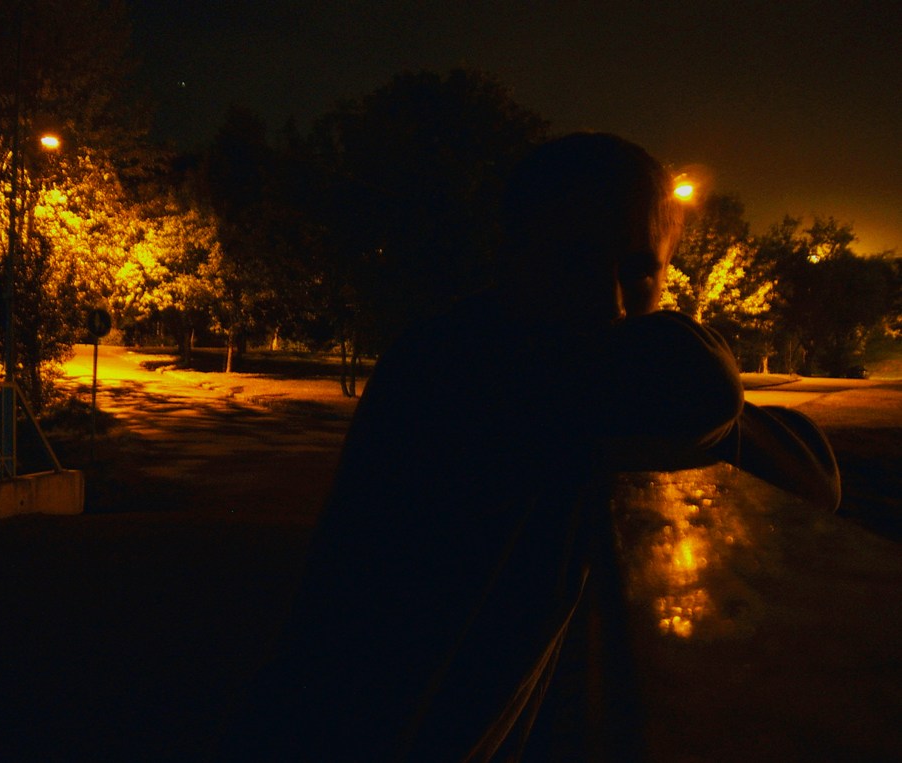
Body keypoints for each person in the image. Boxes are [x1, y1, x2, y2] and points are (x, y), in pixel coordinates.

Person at [220, 133, 840, 761]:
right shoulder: (469, 369)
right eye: (574, 259)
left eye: (636, 272)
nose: (609, 302)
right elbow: (722, 405)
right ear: (512, 250)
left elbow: (805, 469)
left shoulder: (503, 360)